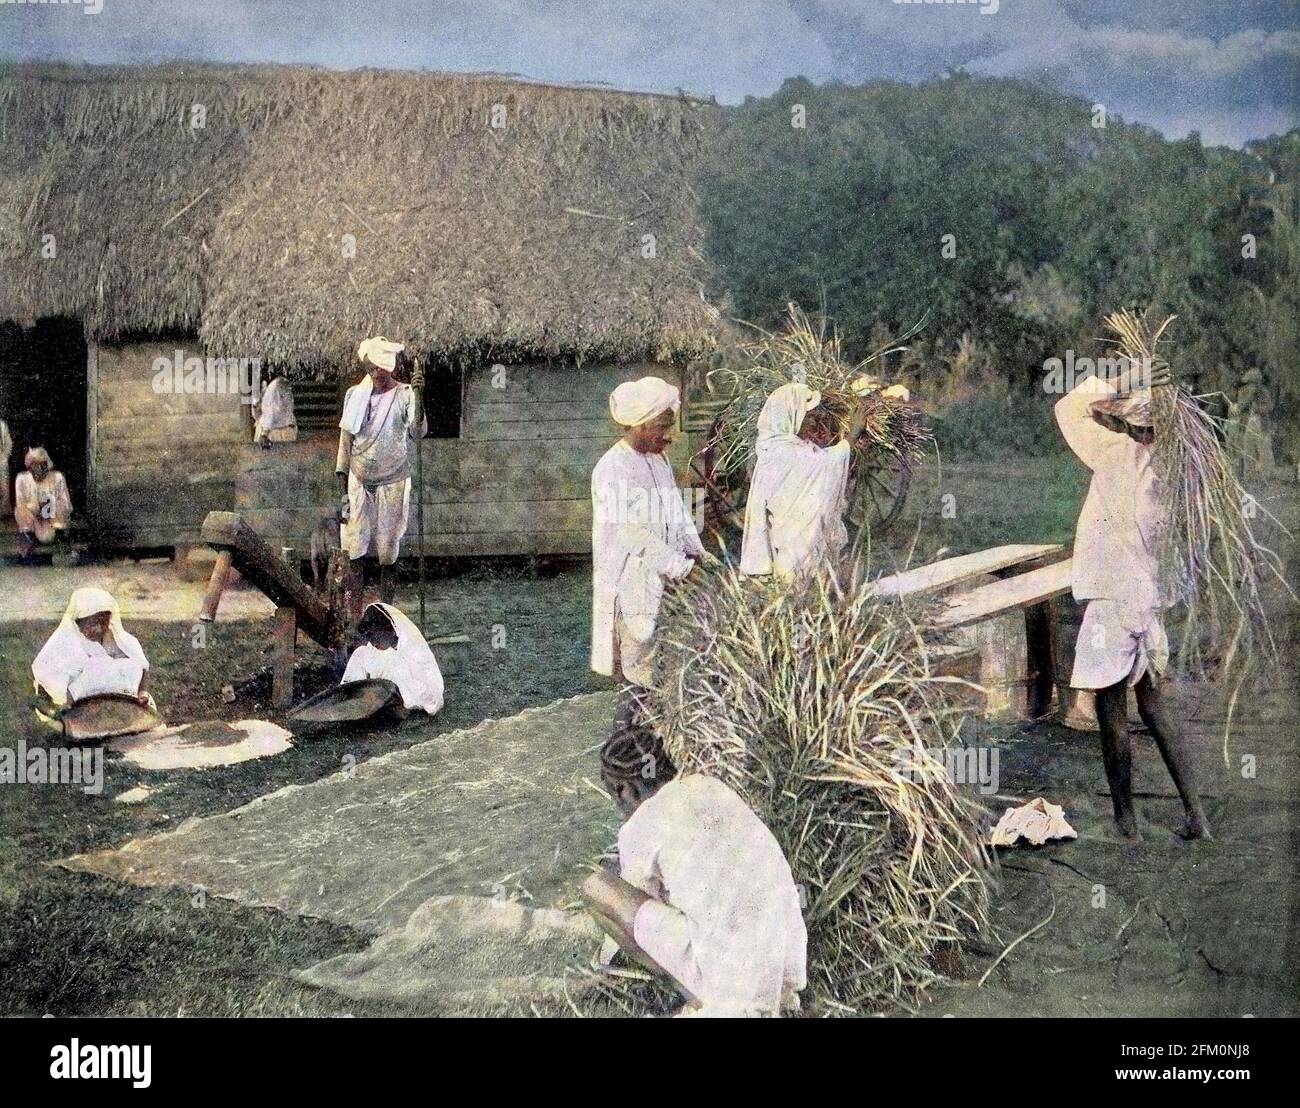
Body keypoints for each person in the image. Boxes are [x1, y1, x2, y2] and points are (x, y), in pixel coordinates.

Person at [1055, 363, 1211, 841]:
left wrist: (1123, 378)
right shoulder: (1182, 475)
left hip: (1112, 602)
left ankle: (1126, 822)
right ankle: (1195, 815)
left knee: (1111, 711)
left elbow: (1067, 406)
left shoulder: (1116, 455)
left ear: (1133, 425)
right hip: (1148, 602)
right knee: (1156, 706)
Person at [582, 722, 808, 1017]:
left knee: (596, 887)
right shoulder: (711, 785)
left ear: (624, 789)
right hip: (786, 964)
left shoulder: (640, 826)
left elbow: (637, 905)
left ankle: (691, 994)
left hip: (732, 985)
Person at [590, 376, 706, 691]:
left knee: (661, 672)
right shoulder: (613, 468)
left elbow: (676, 512)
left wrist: (695, 552)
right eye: (663, 427)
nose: (670, 436)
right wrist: (681, 568)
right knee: (639, 680)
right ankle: (627, 740)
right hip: (631, 586)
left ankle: (645, 737)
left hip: (662, 582)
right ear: (639, 425)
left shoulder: (658, 460)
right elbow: (633, 535)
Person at [336, 337, 427, 608]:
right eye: (372, 368)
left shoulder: (405, 395)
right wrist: (342, 491)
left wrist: (420, 395)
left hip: (393, 481)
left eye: (382, 368)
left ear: (393, 367)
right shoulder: (355, 395)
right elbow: (345, 443)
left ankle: (386, 611)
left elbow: (417, 432)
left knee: (388, 551)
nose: (377, 373)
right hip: (358, 481)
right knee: (354, 550)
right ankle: (354, 614)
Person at [740, 382, 861, 581]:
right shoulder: (787, 453)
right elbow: (827, 463)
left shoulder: (770, 448)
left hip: (785, 558)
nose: (813, 423)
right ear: (791, 414)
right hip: (800, 562)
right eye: (809, 416)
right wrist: (853, 434)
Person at [32, 588, 151, 711]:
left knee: (129, 665)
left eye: (104, 623)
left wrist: (142, 691)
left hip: (120, 697)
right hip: (83, 701)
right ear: (78, 622)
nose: (99, 629)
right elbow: (52, 677)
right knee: (96, 665)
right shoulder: (69, 643)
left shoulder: (121, 640)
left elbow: (142, 665)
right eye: (93, 624)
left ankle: (123, 707)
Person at [340, 602, 444, 715]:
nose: (372, 642)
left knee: (396, 664)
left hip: (411, 700)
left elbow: (430, 693)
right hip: (380, 697)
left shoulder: (413, 650)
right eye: (369, 638)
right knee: (360, 652)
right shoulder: (372, 650)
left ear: (389, 630)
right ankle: (346, 698)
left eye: (375, 637)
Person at [14, 447, 73, 553]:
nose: (40, 468)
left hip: (53, 520)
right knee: (19, 511)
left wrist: (50, 507)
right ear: (30, 467)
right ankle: (28, 538)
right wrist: (36, 508)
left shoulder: (57, 477)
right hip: (33, 519)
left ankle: (61, 538)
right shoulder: (21, 479)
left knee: (48, 535)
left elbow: (66, 504)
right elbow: (20, 504)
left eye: (43, 464)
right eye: (36, 465)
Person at [253, 372, 298, 447]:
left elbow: (272, 411)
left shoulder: (275, 387)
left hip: (275, 431)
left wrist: (264, 433)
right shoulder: (281, 385)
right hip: (284, 428)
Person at [0, 416, 12, 519]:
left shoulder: (2, 425)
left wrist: (5, 456)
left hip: (1, 460)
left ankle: (4, 511)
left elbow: (8, 442)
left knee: (4, 486)